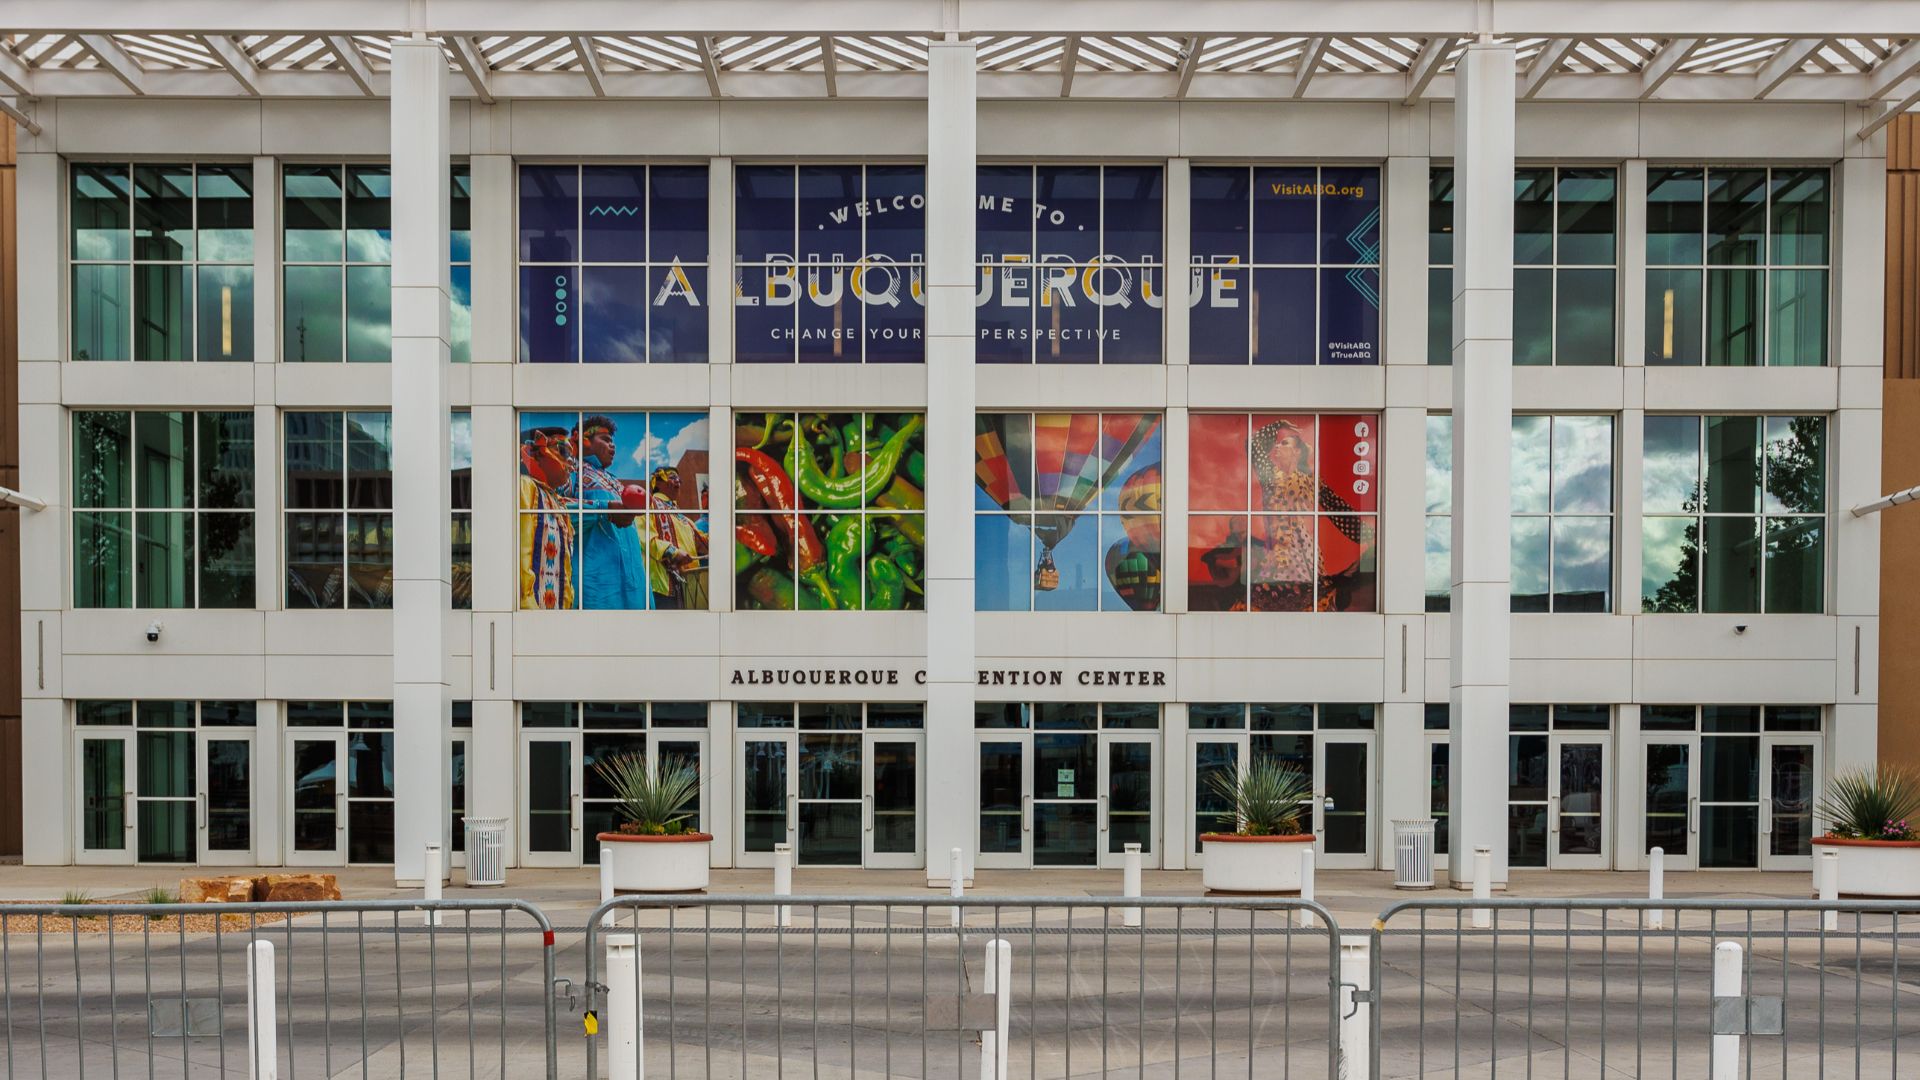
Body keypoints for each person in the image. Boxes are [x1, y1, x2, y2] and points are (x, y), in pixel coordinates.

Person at [1250, 418, 1372, 611]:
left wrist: (1370, 536)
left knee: (1312, 603)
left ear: (1297, 452)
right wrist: (1278, 424)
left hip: (1303, 553)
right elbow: (1254, 447)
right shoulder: (1270, 475)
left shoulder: (1310, 480)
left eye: (1284, 443)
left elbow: (1337, 509)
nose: (1277, 447)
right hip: (1276, 553)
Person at [573, 415, 650, 609]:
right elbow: (554, 511)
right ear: (584, 440)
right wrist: (603, 510)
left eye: (612, 441)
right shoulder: (570, 471)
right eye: (605, 439)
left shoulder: (616, 482)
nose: (612, 446)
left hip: (636, 587)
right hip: (596, 587)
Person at [518, 426, 576, 609]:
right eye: (563, 451)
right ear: (537, 451)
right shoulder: (525, 486)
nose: (570, 462)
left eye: (572, 457)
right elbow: (519, 556)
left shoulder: (558, 503)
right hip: (530, 616)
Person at [645, 466, 708, 609]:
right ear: (658, 483)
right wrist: (672, 552)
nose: (678, 481)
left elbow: (702, 544)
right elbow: (644, 537)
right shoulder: (649, 504)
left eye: (679, 478)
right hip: (661, 587)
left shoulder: (684, 519)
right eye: (672, 477)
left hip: (689, 585)